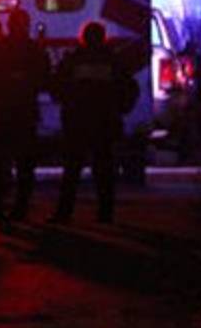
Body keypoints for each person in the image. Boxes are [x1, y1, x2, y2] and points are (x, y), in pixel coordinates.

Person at [49, 21, 138, 224]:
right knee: (104, 172)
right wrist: (120, 110)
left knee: (71, 171)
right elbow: (130, 89)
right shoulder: (113, 61)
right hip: (105, 122)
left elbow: (56, 86)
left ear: (83, 37)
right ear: (103, 37)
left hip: (77, 123)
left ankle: (64, 213)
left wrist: (67, 104)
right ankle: (105, 215)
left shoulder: (73, 60)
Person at [0, 8, 49, 227]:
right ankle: (20, 208)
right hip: (24, 114)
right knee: (24, 165)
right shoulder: (35, 50)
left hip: (1, 114)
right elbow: (44, 80)